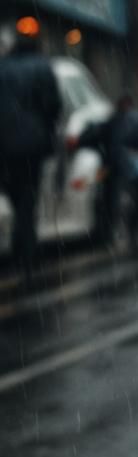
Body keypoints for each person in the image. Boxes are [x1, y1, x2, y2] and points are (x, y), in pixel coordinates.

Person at [0, 29, 61, 282]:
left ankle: (21, 245)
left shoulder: (3, 69)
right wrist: (46, 127)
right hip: (33, 145)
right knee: (28, 196)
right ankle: (26, 251)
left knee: (16, 194)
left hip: (5, 146)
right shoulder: (42, 67)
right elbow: (53, 105)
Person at [79, 94, 138, 251]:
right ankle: (135, 229)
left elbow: (92, 137)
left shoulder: (113, 121)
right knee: (136, 199)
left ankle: (114, 234)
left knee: (115, 202)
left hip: (116, 168)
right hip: (135, 167)